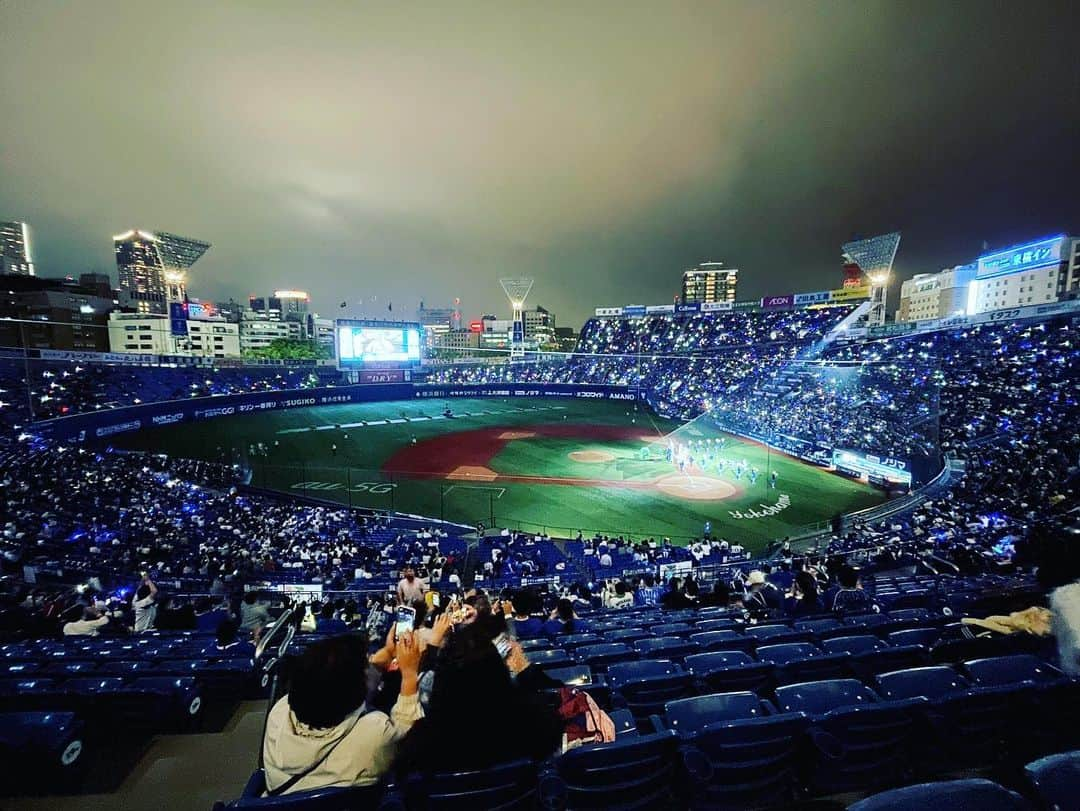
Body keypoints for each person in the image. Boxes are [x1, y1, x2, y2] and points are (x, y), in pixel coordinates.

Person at [262, 631, 422, 795]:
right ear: (356, 690)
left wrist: (385, 655)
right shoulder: (375, 733)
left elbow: (333, 686)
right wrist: (409, 675)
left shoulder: (280, 712)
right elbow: (407, 733)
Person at [394, 622, 562, 776]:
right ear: (499, 673)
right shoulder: (537, 722)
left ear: (442, 683)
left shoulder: (421, 744)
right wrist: (524, 669)